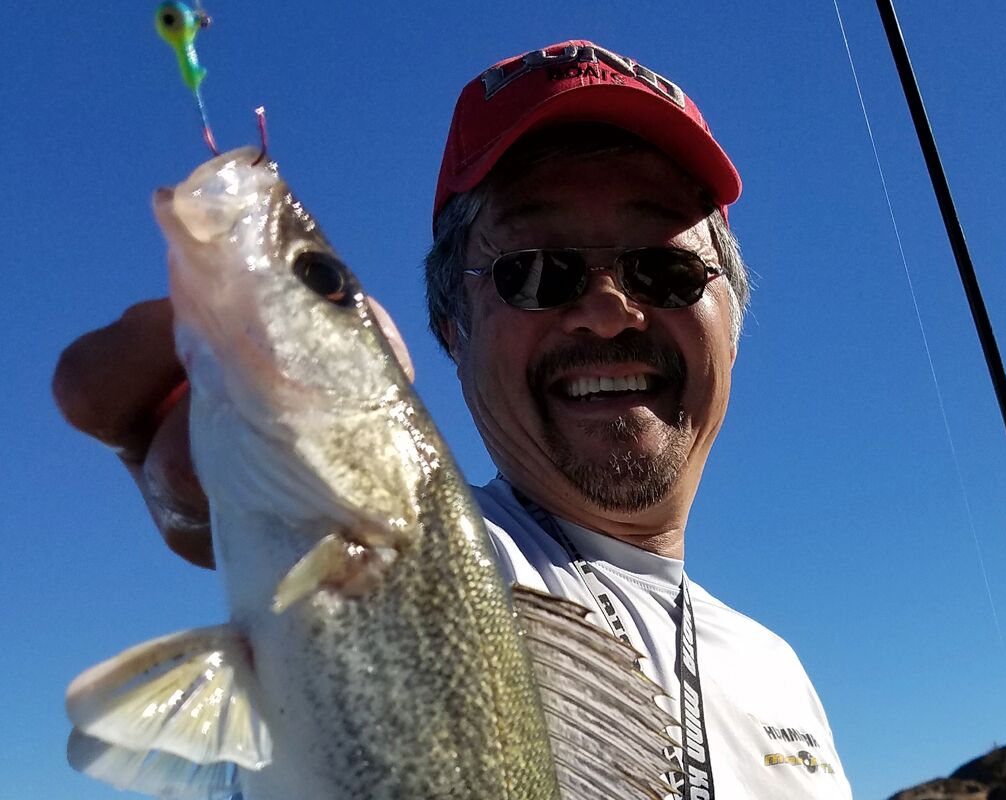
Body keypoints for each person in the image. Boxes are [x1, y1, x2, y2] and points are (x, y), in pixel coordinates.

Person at [53, 40, 853, 799]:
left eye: (666, 269)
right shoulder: (419, 560)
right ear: (450, 331)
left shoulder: (777, 671)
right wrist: (194, 484)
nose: (609, 312)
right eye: (535, 271)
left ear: (736, 319)